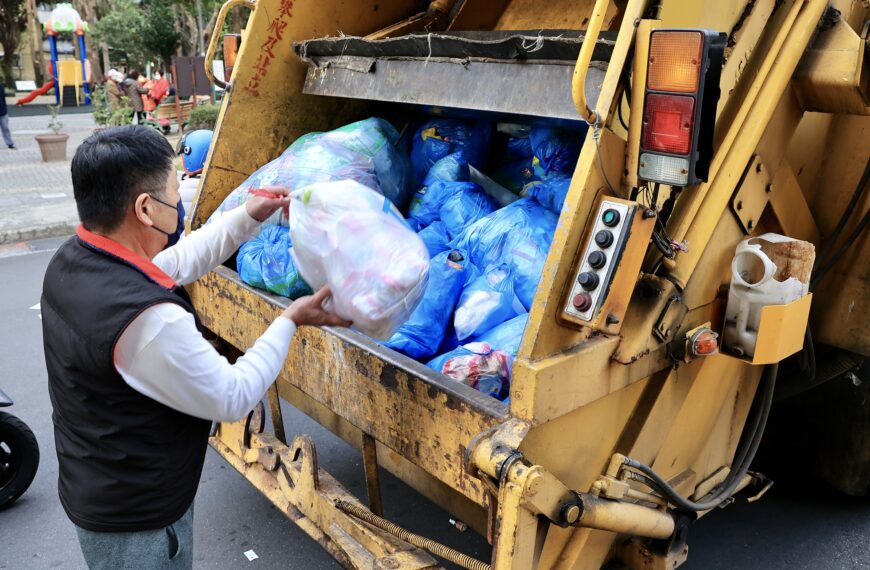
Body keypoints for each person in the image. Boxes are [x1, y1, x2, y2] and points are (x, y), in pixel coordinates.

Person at [41, 125, 351, 569]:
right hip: (139, 520)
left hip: (98, 484)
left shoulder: (77, 259)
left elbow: (179, 261)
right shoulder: (148, 321)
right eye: (175, 194)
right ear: (144, 208)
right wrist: (290, 320)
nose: (181, 204)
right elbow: (232, 395)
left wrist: (249, 216)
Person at [0, 84, 16, 149]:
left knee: (5, 128)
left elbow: (3, 98)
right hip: (3, 110)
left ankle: (10, 143)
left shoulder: (1, 87)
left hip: (3, 111)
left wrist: (5, 109)